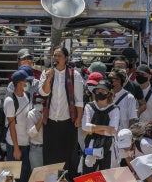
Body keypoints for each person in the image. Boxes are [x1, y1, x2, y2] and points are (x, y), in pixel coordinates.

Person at [38, 46, 83, 180]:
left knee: (68, 157)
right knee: (50, 156)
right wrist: (48, 78)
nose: (56, 58)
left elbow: (79, 100)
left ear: (66, 58)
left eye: (59, 56)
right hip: (50, 122)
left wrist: (79, 118)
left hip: (68, 123)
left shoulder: (74, 75)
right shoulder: (46, 73)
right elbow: (43, 93)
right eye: (54, 56)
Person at [81, 80, 120, 173]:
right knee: (87, 174)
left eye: (103, 91)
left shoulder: (114, 109)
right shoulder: (89, 106)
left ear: (109, 93)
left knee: (106, 176)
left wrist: (92, 129)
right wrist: (106, 128)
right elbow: (85, 127)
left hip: (108, 148)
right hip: (90, 145)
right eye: (98, 90)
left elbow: (113, 131)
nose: (100, 93)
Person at [4, 70, 31, 182]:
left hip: (26, 143)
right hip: (15, 145)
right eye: (26, 81)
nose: (27, 83)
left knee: (24, 177)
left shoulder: (26, 96)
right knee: (15, 178)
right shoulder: (10, 101)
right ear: (20, 83)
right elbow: (12, 127)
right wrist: (16, 148)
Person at [26, 93, 44, 170]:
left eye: (40, 102)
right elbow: (31, 134)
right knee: (37, 177)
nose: (38, 104)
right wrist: (42, 118)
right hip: (36, 150)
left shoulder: (50, 113)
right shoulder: (31, 114)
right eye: (36, 102)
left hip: (48, 148)